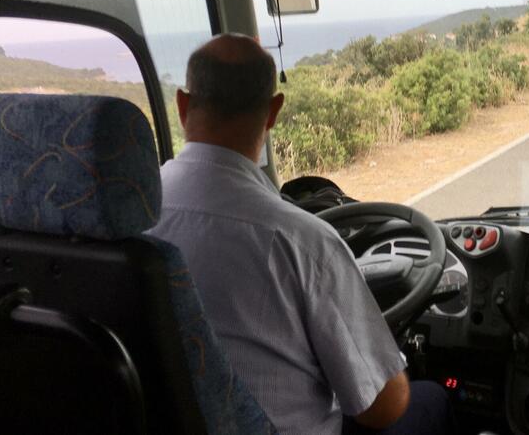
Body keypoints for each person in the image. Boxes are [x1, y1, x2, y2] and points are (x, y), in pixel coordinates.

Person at [147, 34, 452, 435]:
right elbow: (382, 408)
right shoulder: (304, 242)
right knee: (431, 399)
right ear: (274, 111)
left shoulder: (130, 217)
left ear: (183, 105)